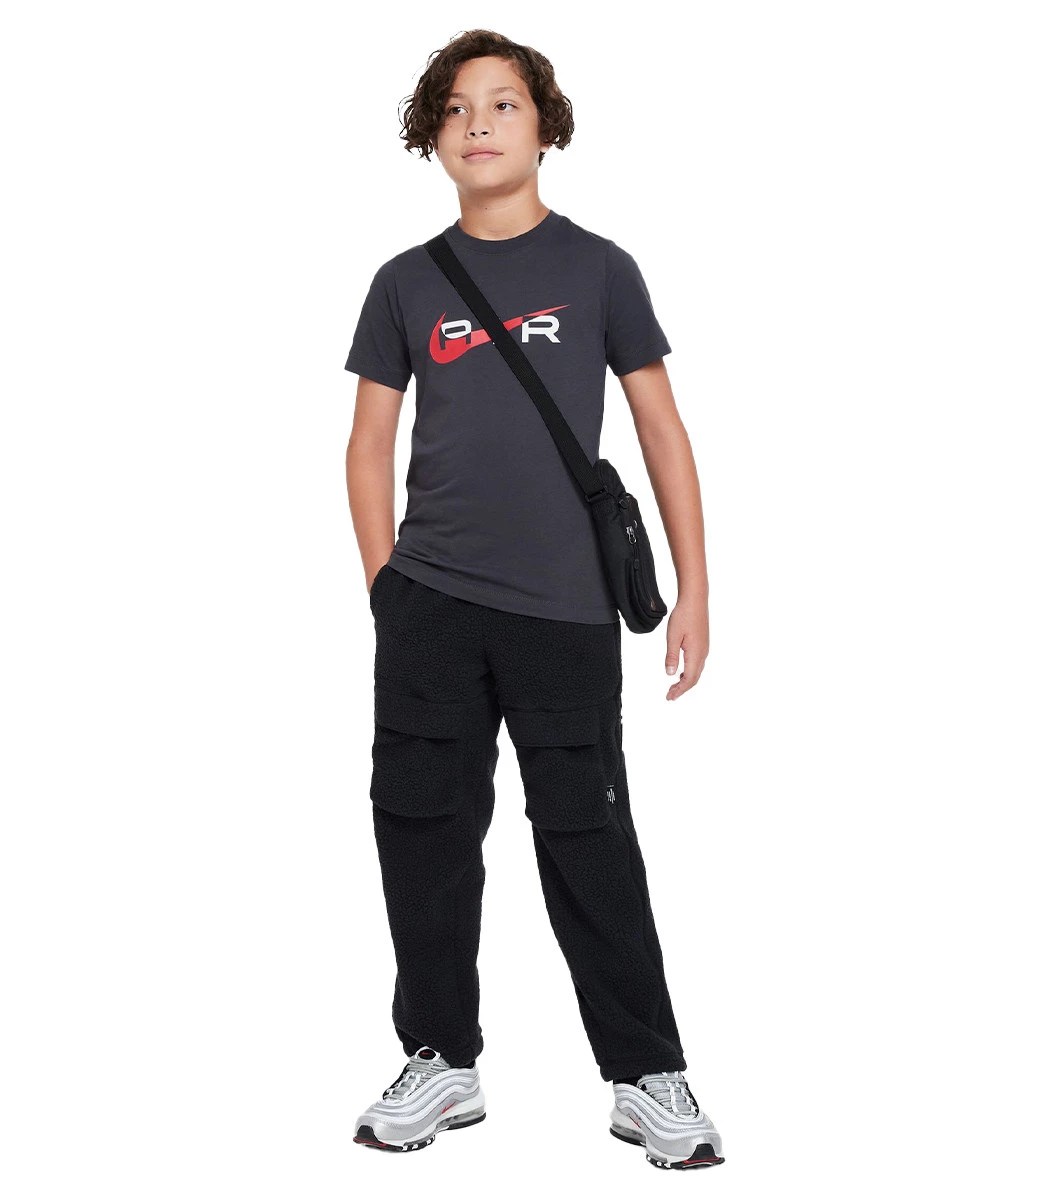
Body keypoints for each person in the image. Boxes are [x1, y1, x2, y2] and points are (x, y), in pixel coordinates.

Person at [343, 30, 724, 1170]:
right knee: (421, 830)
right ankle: (440, 1058)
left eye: (504, 104)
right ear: (433, 135)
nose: (479, 124)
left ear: (543, 126)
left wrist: (696, 586)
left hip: (564, 612)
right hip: (430, 606)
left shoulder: (600, 269)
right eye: (458, 108)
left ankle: (646, 1073)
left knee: (587, 835)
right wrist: (386, 588)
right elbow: (368, 445)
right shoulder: (406, 282)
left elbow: (661, 428)